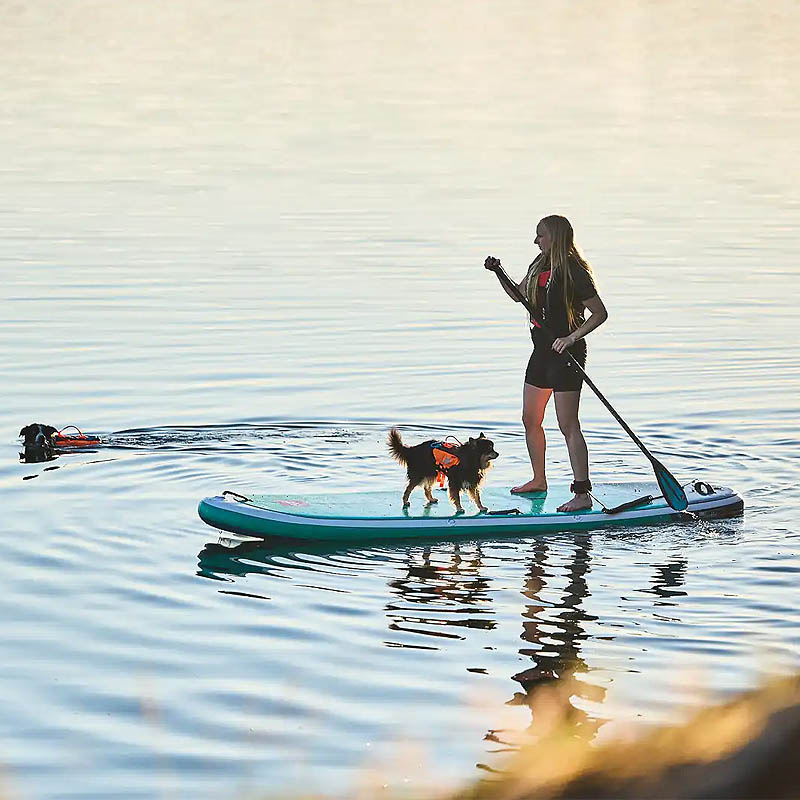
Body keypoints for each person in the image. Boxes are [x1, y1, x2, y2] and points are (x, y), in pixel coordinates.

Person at [486, 215, 608, 512]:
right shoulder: (538, 265)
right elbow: (519, 296)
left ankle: (582, 494)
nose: (535, 240)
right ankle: (539, 479)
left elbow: (599, 313)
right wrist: (498, 273)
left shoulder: (575, 272)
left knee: (568, 425)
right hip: (540, 351)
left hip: (566, 355)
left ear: (554, 236)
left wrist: (571, 338)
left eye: (540, 235)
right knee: (530, 419)